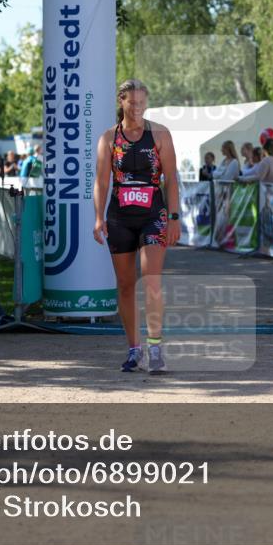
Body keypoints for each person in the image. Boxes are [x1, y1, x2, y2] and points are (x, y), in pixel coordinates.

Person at [93, 79, 180, 375]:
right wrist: (98, 217)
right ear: (121, 102)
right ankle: (134, 349)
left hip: (153, 215)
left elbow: (171, 178)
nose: (138, 107)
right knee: (127, 285)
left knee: (152, 281)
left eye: (142, 102)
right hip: (120, 217)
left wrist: (174, 217)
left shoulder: (160, 135)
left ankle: (156, 348)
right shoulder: (108, 138)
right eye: (132, 102)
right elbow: (102, 181)